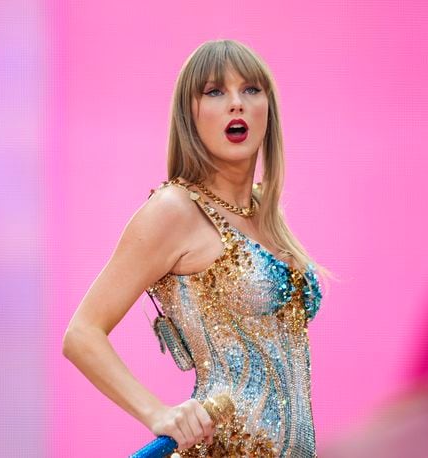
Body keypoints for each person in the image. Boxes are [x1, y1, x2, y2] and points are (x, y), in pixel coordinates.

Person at [62, 39, 334, 457]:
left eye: (251, 89)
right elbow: (82, 334)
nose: (236, 104)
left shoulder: (265, 212)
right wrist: (157, 413)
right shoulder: (174, 210)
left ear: (268, 109)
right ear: (190, 116)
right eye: (214, 92)